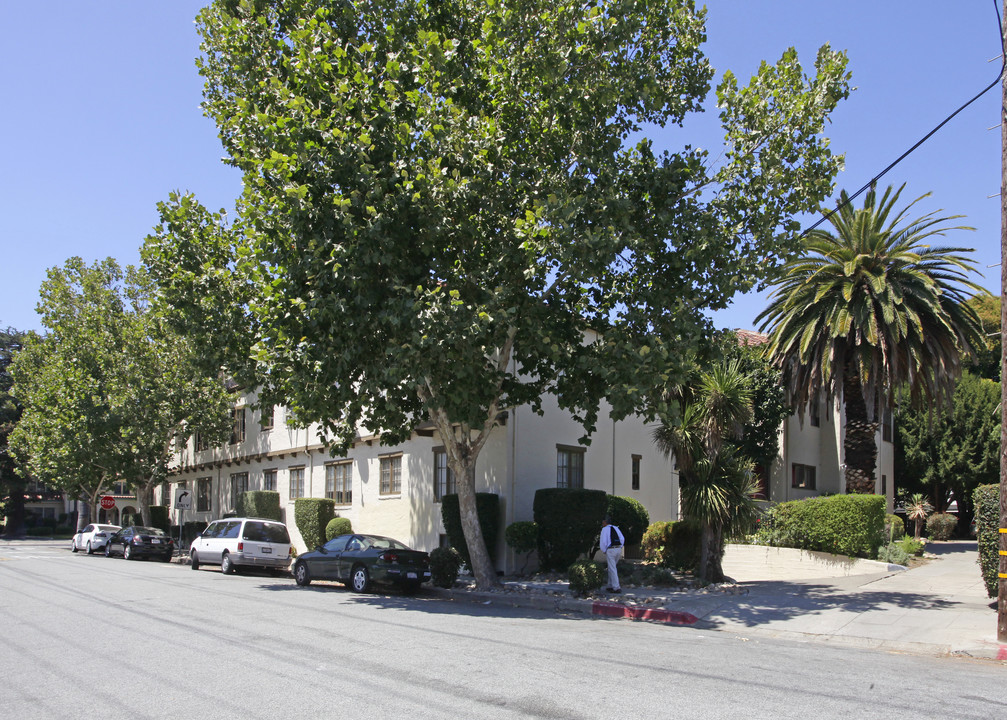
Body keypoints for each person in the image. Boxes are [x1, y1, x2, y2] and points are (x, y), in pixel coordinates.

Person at [599, 516, 624, 593]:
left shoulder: (604, 529)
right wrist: (620, 546)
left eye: (603, 521)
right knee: (612, 567)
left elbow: (603, 541)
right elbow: (622, 538)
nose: (602, 523)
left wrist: (604, 550)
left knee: (612, 568)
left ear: (605, 522)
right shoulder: (616, 528)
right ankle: (610, 585)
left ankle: (616, 587)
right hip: (618, 549)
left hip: (611, 550)